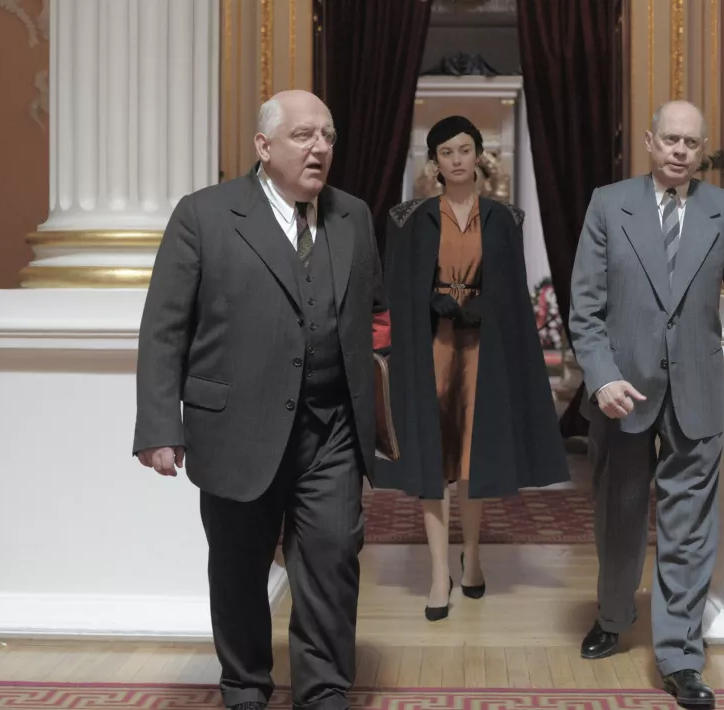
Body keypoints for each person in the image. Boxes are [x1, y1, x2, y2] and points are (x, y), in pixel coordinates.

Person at [132, 89, 390, 710]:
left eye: (328, 136)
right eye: (304, 135)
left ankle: (324, 691)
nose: (320, 147)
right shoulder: (204, 215)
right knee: (239, 570)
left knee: (333, 559)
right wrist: (160, 425)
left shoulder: (353, 216)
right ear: (264, 145)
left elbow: (375, 313)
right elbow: (165, 327)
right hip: (235, 429)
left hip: (331, 430)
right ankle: (245, 685)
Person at [568, 100, 724, 707]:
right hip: (622, 393)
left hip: (696, 392)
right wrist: (602, 379)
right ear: (650, 141)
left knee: (688, 528)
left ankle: (680, 656)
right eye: (670, 139)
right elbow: (585, 308)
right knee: (619, 515)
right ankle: (613, 617)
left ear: (702, 149)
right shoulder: (608, 204)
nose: (679, 151)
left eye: (691, 143)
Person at [376, 115, 569, 621]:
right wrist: (428, 302)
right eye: (447, 152)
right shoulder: (408, 218)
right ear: (434, 162)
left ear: (479, 154)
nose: (457, 159)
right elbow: (395, 286)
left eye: (465, 149)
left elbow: (512, 289)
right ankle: (439, 573)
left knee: (470, 457)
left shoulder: (506, 218)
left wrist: (490, 305)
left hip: (484, 349)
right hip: (430, 348)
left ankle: (474, 556)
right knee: (431, 458)